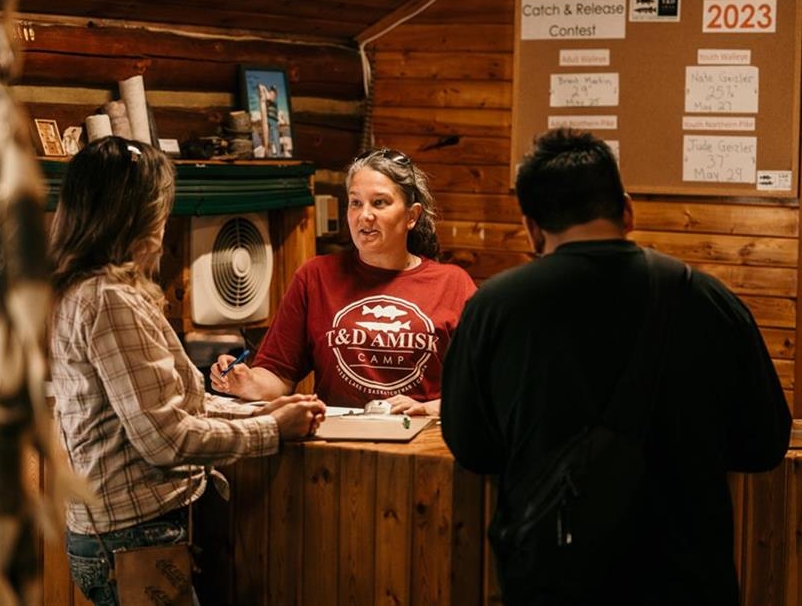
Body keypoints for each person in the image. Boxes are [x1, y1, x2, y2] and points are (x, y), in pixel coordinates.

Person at [440, 127, 792, 606]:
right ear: (627, 209)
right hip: (688, 578)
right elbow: (764, 444)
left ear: (532, 228)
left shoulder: (494, 307)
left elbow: (472, 446)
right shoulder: (707, 299)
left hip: (553, 575)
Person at [48, 136, 326, 606]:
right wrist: (271, 430)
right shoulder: (109, 300)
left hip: (128, 537)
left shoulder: (95, 290)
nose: (164, 220)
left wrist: (263, 410)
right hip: (132, 540)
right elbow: (167, 439)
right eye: (160, 206)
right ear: (134, 214)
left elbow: (180, 407)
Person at [210, 148, 477, 414]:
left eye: (380, 203)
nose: (365, 215)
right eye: (356, 203)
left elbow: (487, 386)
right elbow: (279, 375)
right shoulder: (315, 276)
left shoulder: (453, 284)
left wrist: (428, 408)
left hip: (421, 438)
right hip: (338, 440)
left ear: (411, 216)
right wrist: (246, 382)